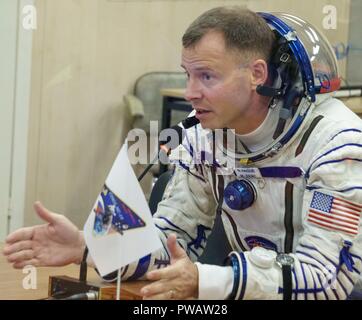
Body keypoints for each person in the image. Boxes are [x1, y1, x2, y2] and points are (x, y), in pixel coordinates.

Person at [3, 7, 362, 300]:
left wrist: (205, 281)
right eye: (187, 75)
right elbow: (170, 241)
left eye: (206, 77)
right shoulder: (203, 133)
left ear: (257, 73)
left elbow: (327, 280)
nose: (190, 92)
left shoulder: (336, 144)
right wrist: (90, 247)